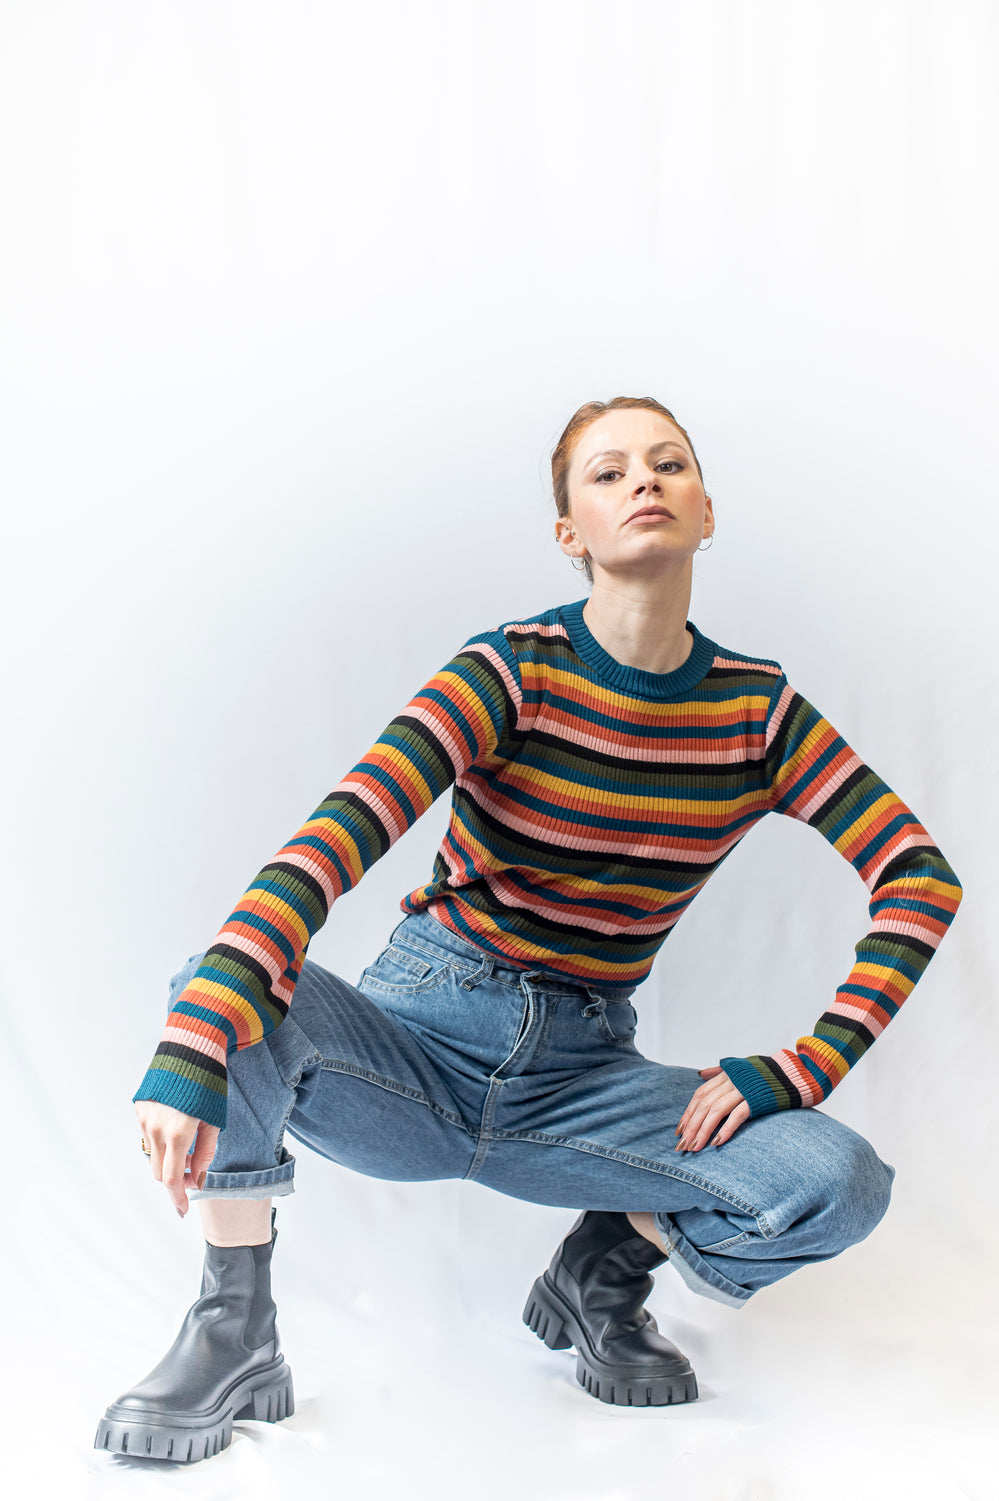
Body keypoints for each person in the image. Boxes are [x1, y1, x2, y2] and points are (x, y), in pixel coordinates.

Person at [96, 396, 962, 1463]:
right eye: (608, 472)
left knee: (837, 1181)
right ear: (570, 533)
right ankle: (234, 1330)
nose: (643, 481)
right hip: (413, 1052)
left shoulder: (758, 714)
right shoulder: (509, 670)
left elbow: (919, 878)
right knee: (220, 981)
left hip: (579, 1084)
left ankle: (602, 1268)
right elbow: (330, 843)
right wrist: (193, 1041)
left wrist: (802, 1066)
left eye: (669, 464)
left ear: (705, 511)